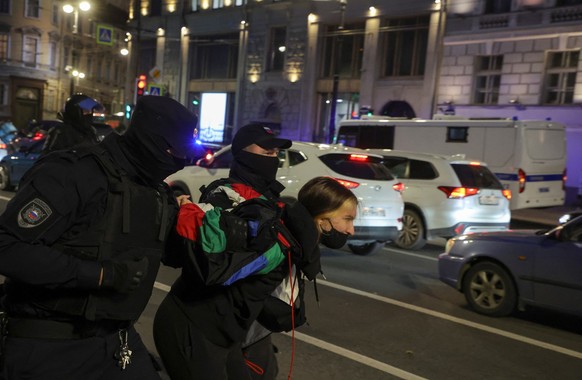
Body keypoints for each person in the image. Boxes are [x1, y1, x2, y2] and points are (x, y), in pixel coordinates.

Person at [0, 95, 198, 380]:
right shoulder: (75, 173)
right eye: (172, 152)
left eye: (184, 156)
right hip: (50, 345)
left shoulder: (154, 191)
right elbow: (7, 246)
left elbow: (170, 254)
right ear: (149, 140)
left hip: (116, 342)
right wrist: (101, 275)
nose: (179, 163)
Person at [154, 123, 320, 380]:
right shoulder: (223, 196)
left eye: (275, 153)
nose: (272, 156)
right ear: (242, 154)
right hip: (192, 326)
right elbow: (217, 267)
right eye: (265, 150)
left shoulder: (269, 201)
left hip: (226, 334)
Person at [240, 176, 357, 379]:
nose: (351, 230)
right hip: (228, 341)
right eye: (348, 219)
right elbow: (242, 302)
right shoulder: (282, 246)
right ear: (322, 219)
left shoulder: (299, 246)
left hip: (252, 340)